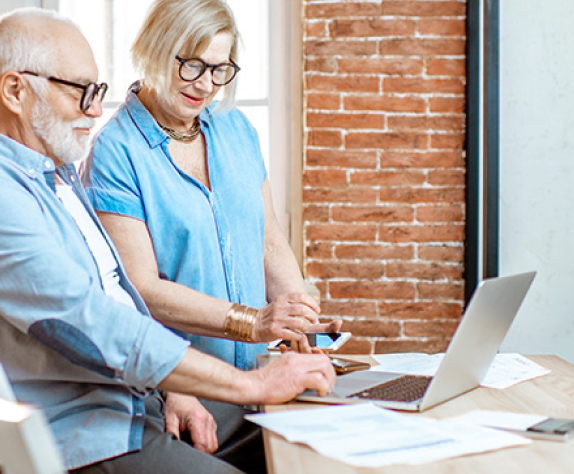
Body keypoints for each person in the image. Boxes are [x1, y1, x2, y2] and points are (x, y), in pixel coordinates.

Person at [0, 8, 335, 473]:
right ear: (15, 91)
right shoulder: (58, 174)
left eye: (220, 69)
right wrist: (238, 377)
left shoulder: (55, 175)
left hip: (149, 404)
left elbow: (121, 296)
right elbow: (100, 319)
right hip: (100, 429)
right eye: (81, 92)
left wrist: (301, 330)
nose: (96, 110)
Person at [81, 0, 338, 370]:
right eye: (192, 65)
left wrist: (302, 325)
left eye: (219, 69)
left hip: (263, 376)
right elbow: (142, 289)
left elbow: (268, 242)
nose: (205, 85)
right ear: (155, 49)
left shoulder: (236, 128)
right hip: (185, 388)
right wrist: (253, 321)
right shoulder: (115, 151)